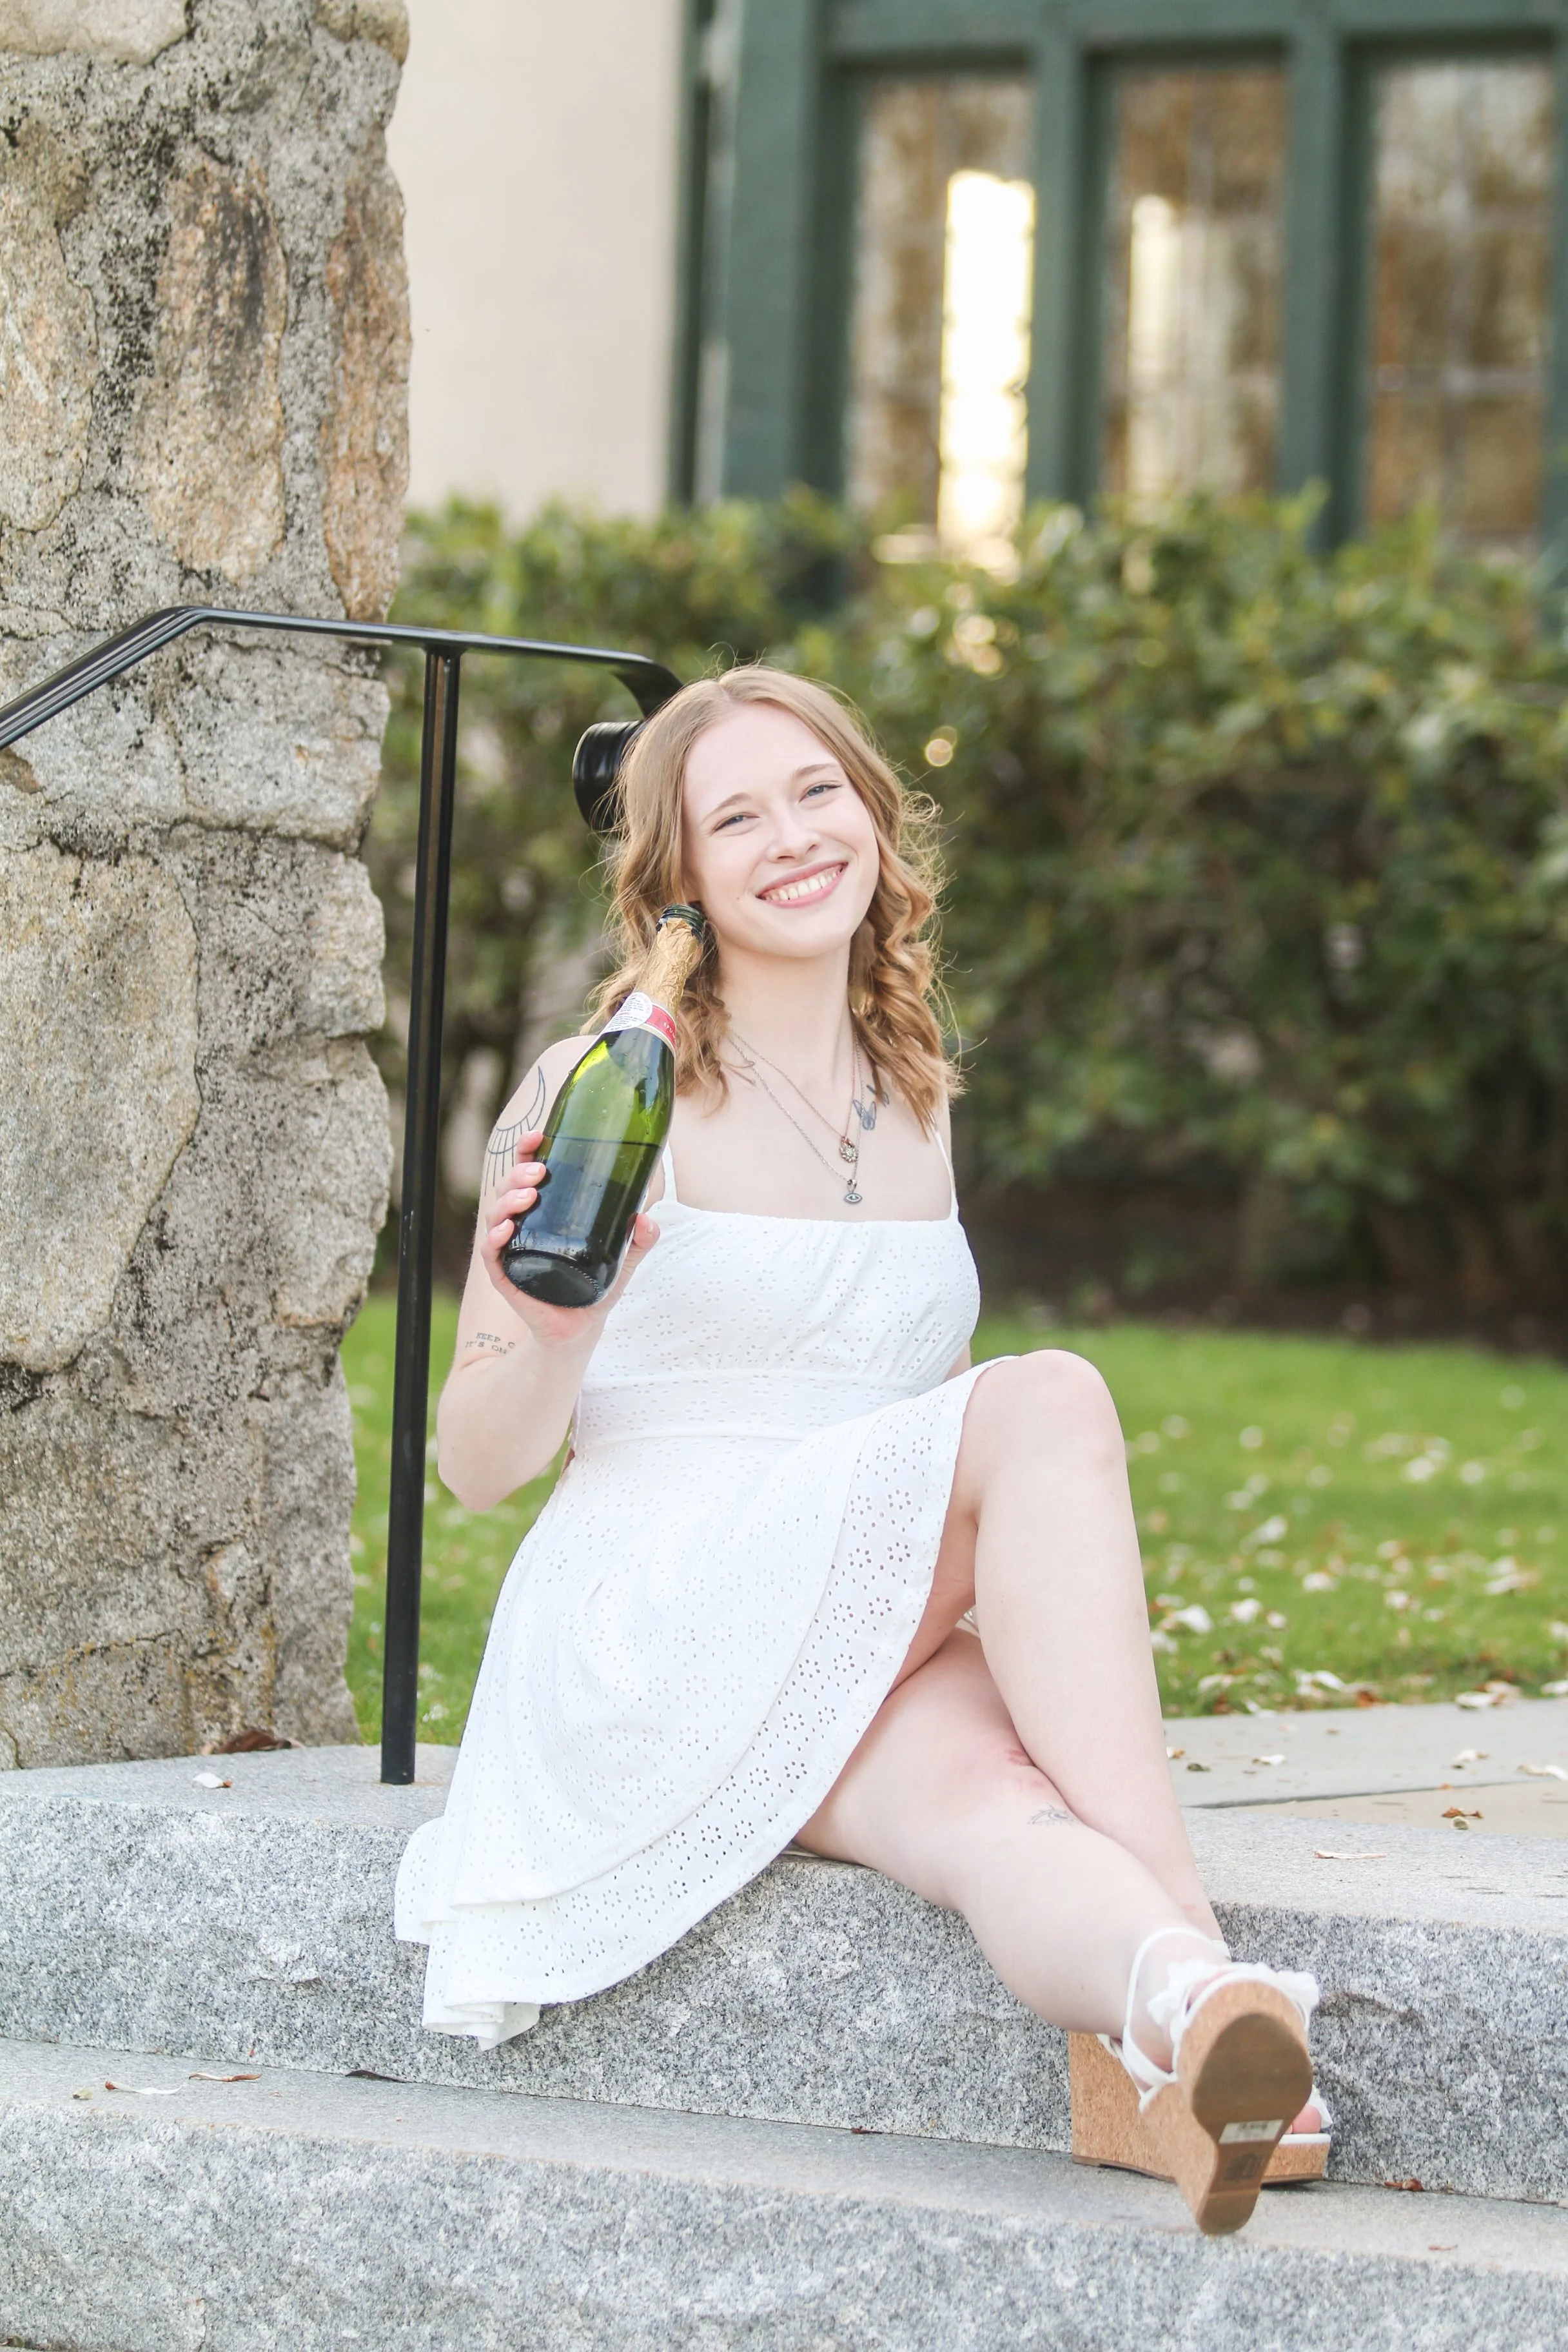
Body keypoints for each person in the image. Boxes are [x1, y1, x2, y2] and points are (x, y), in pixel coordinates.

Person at [394, 667, 1328, 2235]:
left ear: (877, 818)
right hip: (663, 1612)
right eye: (735, 817)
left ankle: (1184, 2012)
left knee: (998, 1810)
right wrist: (541, 1321)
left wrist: (980, 1624)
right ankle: (1203, 1943)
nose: (792, 837)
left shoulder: (912, 1091)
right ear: (680, 877)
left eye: (817, 792)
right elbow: (473, 1469)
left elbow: (918, 1406)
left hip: (847, 1594)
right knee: (1053, 1394)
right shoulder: (605, 1084)